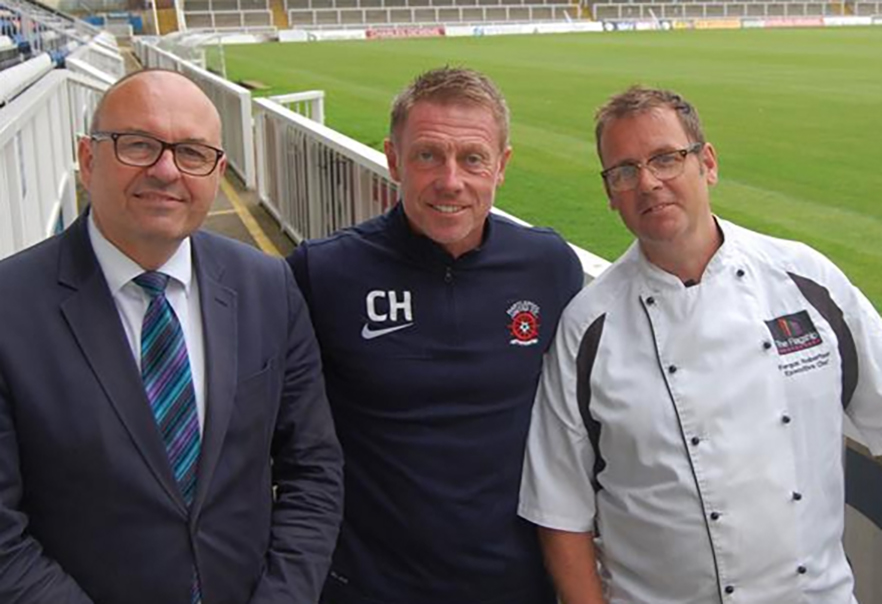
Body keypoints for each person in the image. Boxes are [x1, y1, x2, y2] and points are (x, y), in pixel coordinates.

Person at [518, 84, 882, 604]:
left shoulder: (806, 280)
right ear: (609, 193)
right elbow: (559, 513)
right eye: (624, 171)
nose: (648, 183)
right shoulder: (588, 326)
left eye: (665, 158)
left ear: (706, 162)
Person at [0, 69, 343, 604]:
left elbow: (314, 471)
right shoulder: (10, 307)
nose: (166, 171)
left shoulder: (267, 286)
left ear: (217, 171)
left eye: (192, 153)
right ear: (88, 159)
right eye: (139, 145)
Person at [288, 66, 584, 604]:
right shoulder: (322, 273)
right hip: (365, 589)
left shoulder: (549, 267)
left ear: (502, 167)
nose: (451, 181)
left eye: (473, 158)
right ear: (393, 159)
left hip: (515, 587)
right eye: (428, 155)